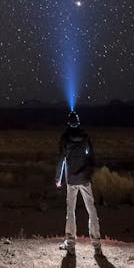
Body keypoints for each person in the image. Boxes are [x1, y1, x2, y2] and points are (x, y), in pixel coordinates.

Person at [55, 110, 102, 257]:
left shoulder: (65, 138)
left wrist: (58, 178)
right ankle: (97, 246)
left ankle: (71, 246)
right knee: (91, 210)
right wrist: (88, 173)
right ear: (79, 122)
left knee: (71, 212)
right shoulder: (86, 138)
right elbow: (92, 158)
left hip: (72, 181)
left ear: (69, 123)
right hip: (85, 179)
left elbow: (62, 159)